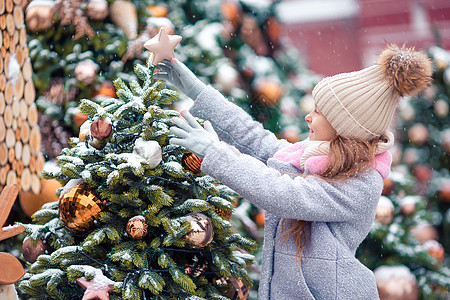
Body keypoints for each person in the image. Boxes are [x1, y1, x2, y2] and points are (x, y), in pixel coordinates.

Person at [154, 44, 432, 299]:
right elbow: (254, 138)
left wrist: (214, 152)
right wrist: (196, 91)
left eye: (319, 112)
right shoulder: (312, 157)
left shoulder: (361, 183)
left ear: (344, 126)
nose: (308, 117)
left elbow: (283, 193)